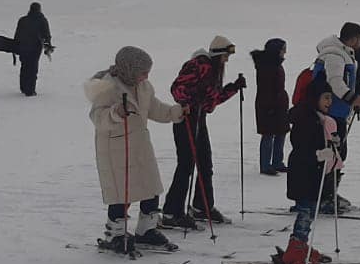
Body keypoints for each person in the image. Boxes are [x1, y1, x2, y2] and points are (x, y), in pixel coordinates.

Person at [84, 46, 184, 252]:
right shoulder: (107, 88)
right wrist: (116, 112)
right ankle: (116, 234)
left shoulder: (144, 87)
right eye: (142, 71)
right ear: (129, 69)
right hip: (116, 149)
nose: (146, 75)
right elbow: (97, 117)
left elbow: (155, 108)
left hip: (140, 146)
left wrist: (176, 112)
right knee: (121, 194)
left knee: (151, 187)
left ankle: (146, 230)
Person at [161, 36, 245, 227]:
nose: (227, 60)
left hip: (200, 117)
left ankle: (202, 206)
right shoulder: (198, 65)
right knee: (186, 165)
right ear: (217, 54)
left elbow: (211, 101)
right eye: (225, 55)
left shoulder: (214, 70)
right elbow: (177, 88)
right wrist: (189, 100)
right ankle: (171, 212)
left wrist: (233, 88)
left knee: (205, 164)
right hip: (187, 118)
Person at [278, 85, 336, 264]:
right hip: (303, 174)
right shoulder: (307, 119)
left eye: (330, 98)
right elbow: (302, 149)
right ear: (315, 98)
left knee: (309, 211)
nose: (329, 102)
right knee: (305, 212)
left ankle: (300, 245)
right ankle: (295, 249)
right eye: (325, 97)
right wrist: (319, 155)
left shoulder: (317, 118)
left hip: (311, 174)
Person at [311, 23, 360, 211]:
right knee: (333, 154)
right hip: (331, 113)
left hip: (338, 111)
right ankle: (325, 196)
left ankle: (329, 192)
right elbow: (335, 81)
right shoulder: (334, 55)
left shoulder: (343, 53)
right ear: (353, 38)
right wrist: (352, 98)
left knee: (339, 153)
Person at [251, 38, 289, 175]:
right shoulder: (267, 66)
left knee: (281, 132)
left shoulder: (274, 64)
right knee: (268, 134)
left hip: (278, 104)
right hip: (268, 105)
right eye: (283, 49)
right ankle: (266, 165)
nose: (285, 52)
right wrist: (271, 106)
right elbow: (267, 89)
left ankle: (277, 162)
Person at [11, 2, 53, 96]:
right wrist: (48, 46)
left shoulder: (23, 20)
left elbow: (17, 34)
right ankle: (30, 90)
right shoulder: (42, 20)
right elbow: (46, 34)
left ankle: (23, 87)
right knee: (32, 68)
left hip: (22, 46)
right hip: (35, 47)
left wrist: (15, 46)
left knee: (24, 66)